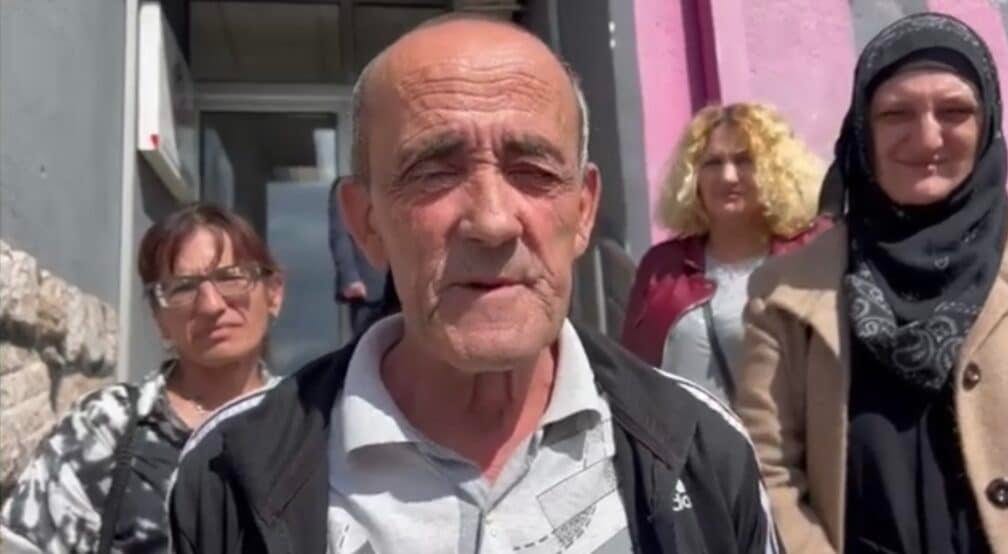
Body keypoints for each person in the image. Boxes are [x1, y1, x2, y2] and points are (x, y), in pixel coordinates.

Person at [167, 14, 781, 554]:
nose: (492, 221)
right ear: (366, 223)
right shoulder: (230, 472)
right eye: (435, 173)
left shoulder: (701, 447)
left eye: (533, 170)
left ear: (584, 211)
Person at [735, 13, 1008, 554]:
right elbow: (766, 470)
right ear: (862, 131)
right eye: (895, 114)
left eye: (955, 111)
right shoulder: (786, 294)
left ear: (990, 122)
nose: (928, 138)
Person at [0, 203, 284, 553]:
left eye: (230, 278)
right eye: (183, 287)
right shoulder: (107, 427)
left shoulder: (312, 426)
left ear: (274, 292)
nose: (211, 305)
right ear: (158, 317)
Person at [621, 102, 830, 404]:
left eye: (744, 160)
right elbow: (630, 373)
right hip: (678, 434)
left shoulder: (810, 255)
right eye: (713, 163)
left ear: (776, 171)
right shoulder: (661, 266)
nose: (728, 176)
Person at [328, 176, 386, 338]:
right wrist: (351, 278)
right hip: (367, 289)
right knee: (366, 340)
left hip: (400, 286)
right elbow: (339, 236)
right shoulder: (347, 185)